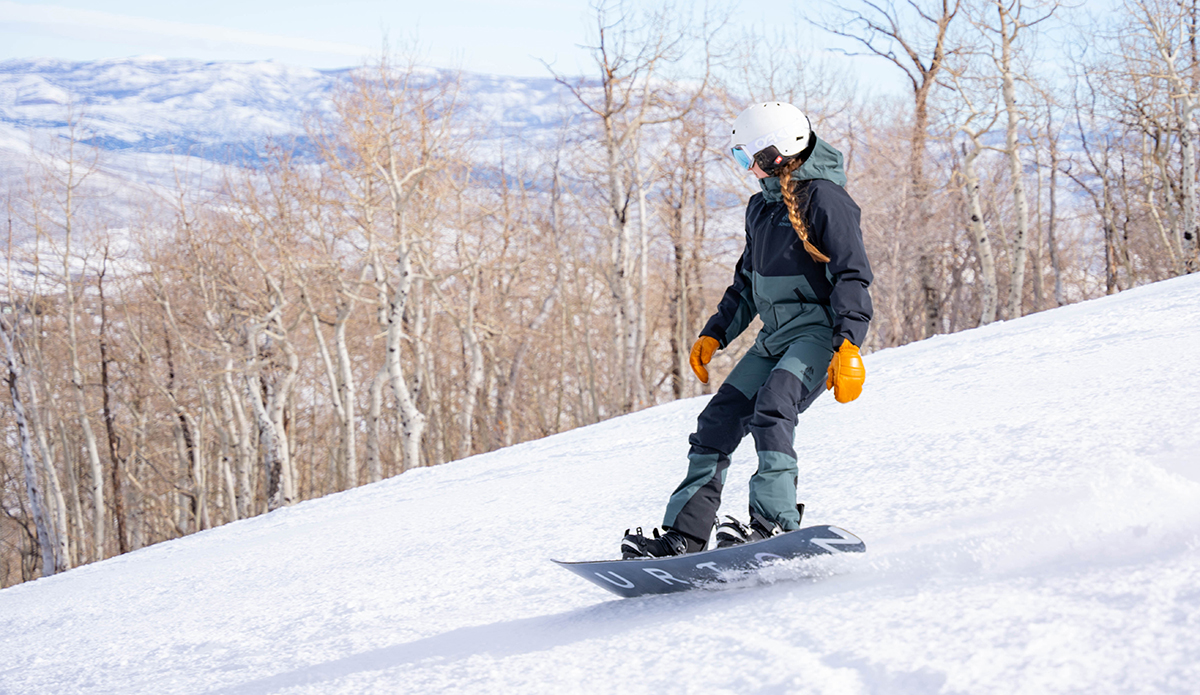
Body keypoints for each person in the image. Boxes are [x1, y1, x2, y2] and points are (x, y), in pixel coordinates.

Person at [622, 102, 873, 558]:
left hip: (817, 335)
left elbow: (853, 276)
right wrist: (715, 334)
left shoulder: (827, 202)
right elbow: (746, 284)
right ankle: (684, 535)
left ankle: (774, 523)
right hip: (773, 337)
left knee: (774, 407)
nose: (745, 168)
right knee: (716, 421)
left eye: (748, 158)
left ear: (779, 154)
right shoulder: (761, 208)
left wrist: (848, 345)